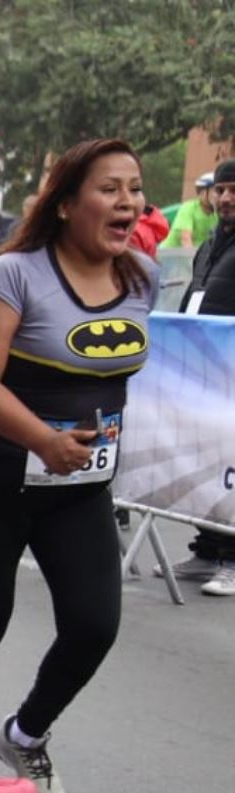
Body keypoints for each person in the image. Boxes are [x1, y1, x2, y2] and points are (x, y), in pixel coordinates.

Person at [0, 138, 157, 793]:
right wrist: (43, 439)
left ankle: (25, 734)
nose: (127, 202)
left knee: (95, 623)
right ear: (67, 204)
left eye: (134, 188)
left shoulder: (143, 278)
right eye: (109, 189)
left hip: (79, 488)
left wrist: (75, 450)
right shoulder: (14, 276)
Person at [163, 158, 235, 595]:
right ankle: (207, 549)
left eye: (234, 190)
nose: (226, 198)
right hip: (202, 370)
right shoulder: (211, 242)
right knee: (206, 462)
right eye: (221, 190)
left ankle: (232, 558)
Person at [160, 173, 216, 250]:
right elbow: (185, 239)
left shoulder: (219, 213)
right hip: (171, 256)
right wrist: (193, 261)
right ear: (202, 192)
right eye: (215, 191)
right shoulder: (188, 208)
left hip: (198, 256)